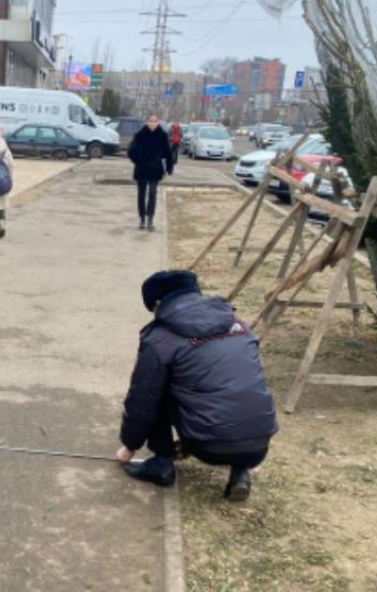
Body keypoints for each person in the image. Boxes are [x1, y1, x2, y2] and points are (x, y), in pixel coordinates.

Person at [116, 270, 278, 501]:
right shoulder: (239, 324)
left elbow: (142, 399)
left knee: (155, 388)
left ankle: (161, 464)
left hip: (208, 445)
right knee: (236, 382)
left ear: (159, 303)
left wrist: (129, 445)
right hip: (259, 442)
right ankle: (240, 472)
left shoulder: (161, 338)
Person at [127, 114, 174, 231]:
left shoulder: (162, 136)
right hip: (142, 169)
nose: (153, 123)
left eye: (155, 121)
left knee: (153, 193)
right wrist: (138, 161)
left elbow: (168, 153)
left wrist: (169, 168)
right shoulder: (140, 135)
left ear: (158, 123)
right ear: (147, 122)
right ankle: (142, 218)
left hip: (155, 169)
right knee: (141, 194)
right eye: (150, 121)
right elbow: (131, 151)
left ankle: (150, 219)